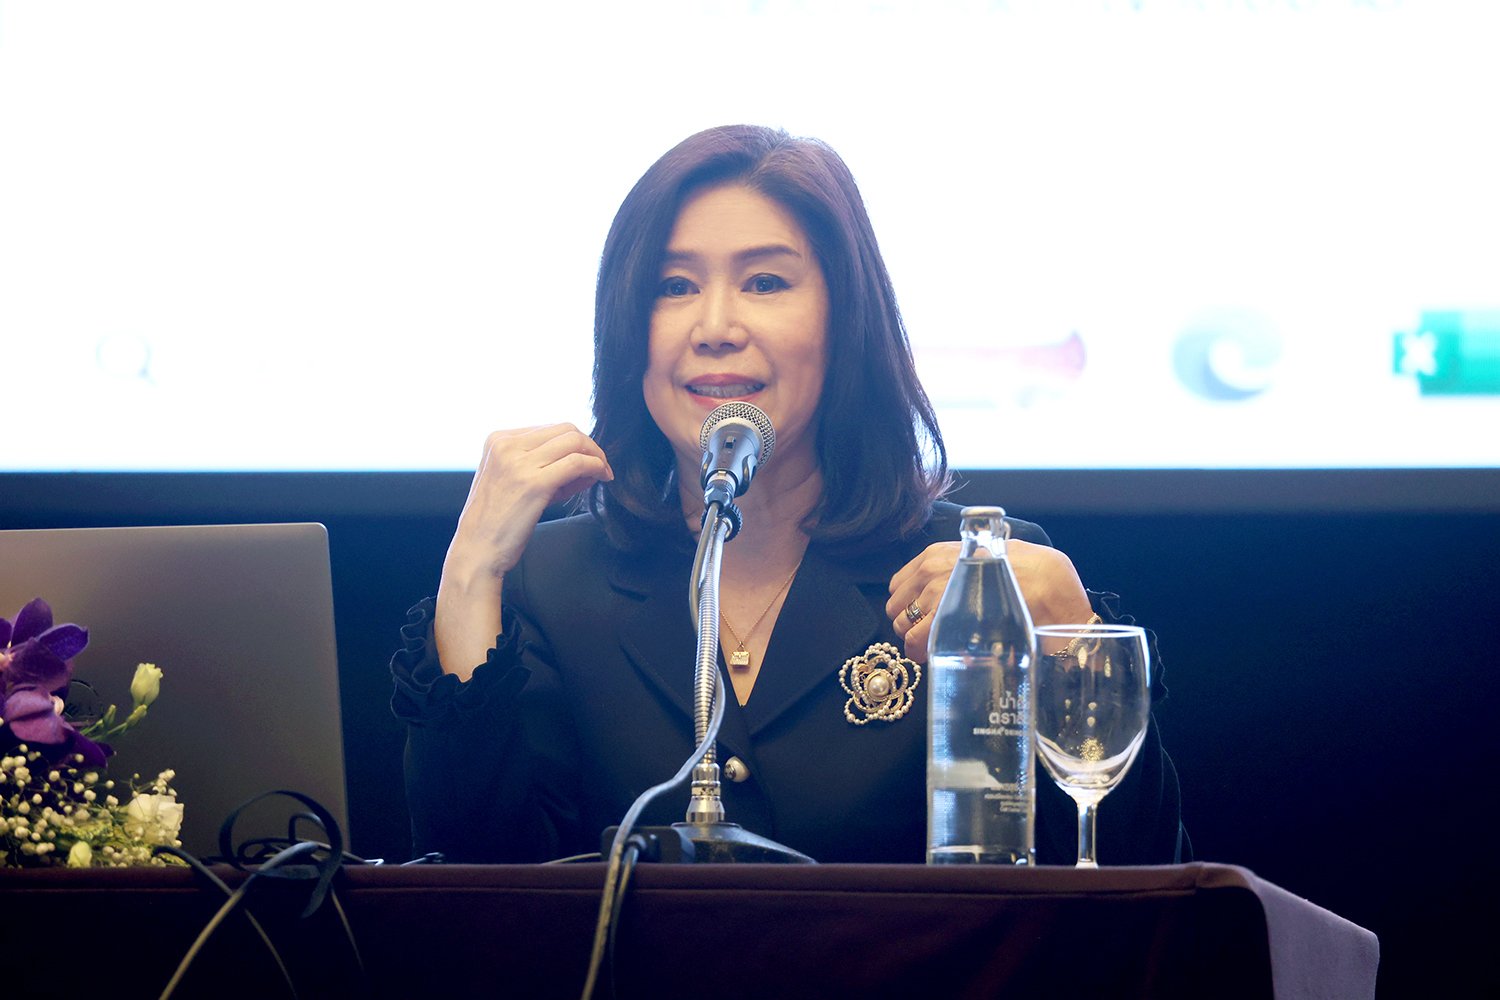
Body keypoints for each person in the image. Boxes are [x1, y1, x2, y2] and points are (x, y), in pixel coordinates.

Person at [392, 125, 1186, 865]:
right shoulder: (548, 581)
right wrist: (468, 575)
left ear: (846, 322)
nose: (714, 325)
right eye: (673, 285)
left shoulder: (983, 579)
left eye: (765, 282)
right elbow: (475, 886)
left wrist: (1076, 647)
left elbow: (1136, 886)